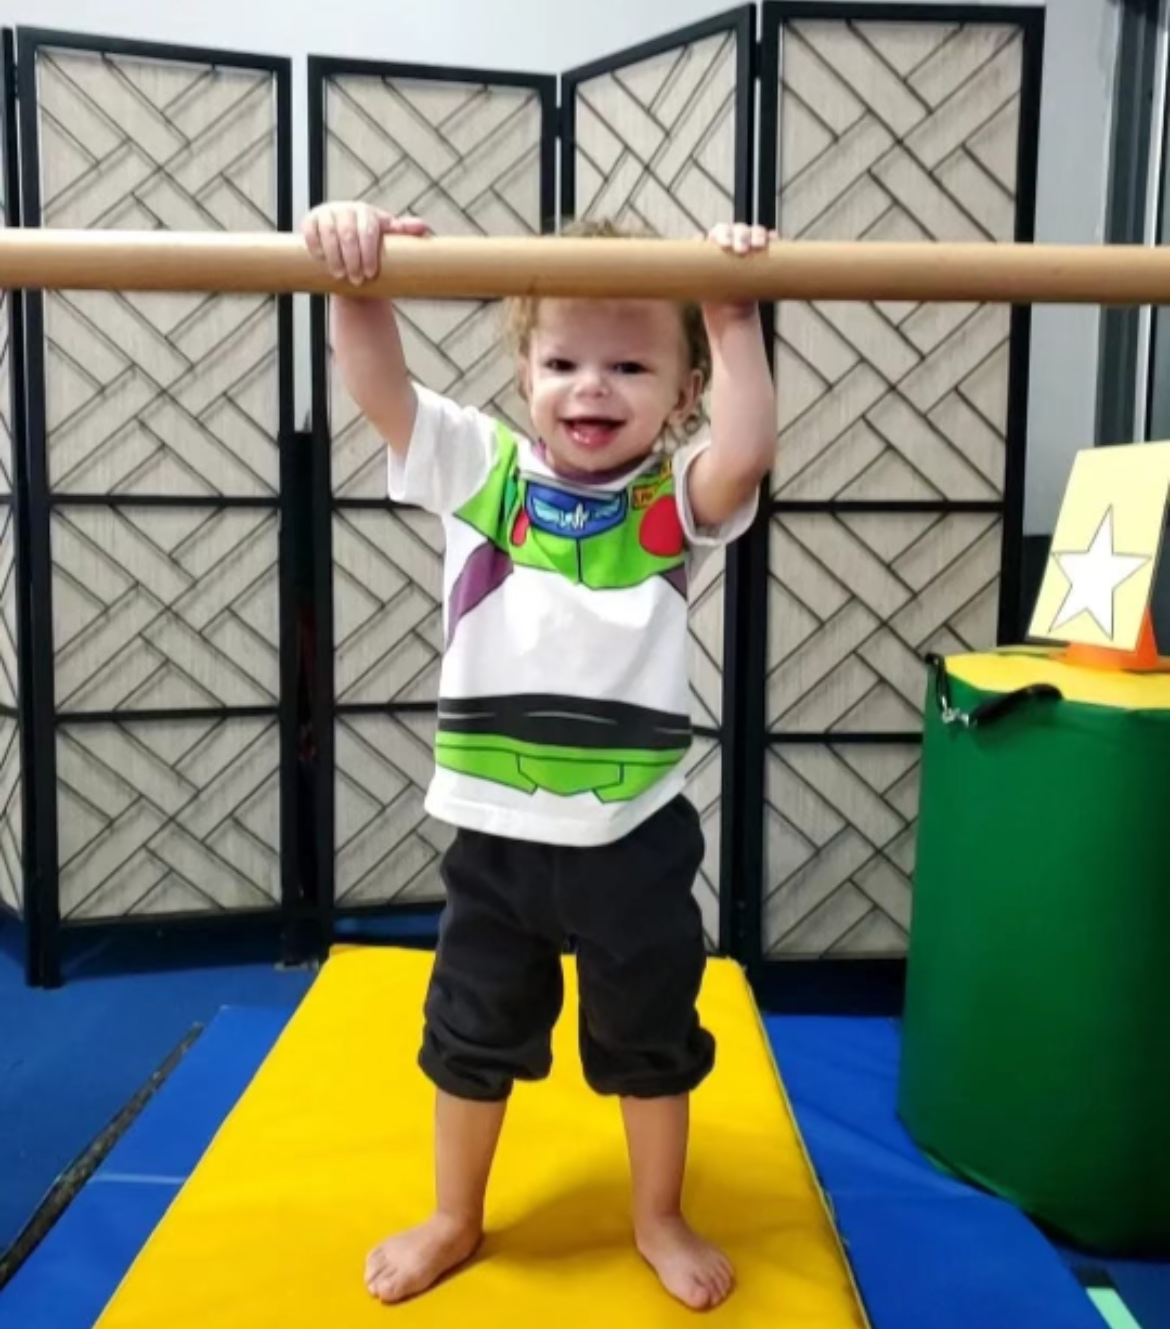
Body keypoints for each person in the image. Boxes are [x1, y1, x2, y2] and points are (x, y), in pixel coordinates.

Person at [302, 203, 778, 1312]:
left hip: (634, 838)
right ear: (523, 375)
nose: (592, 388)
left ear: (683, 391)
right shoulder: (484, 473)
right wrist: (356, 279)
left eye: (629, 364)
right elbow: (381, 391)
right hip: (497, 837)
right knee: (470, 1031)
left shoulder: (671, 505)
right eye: (562, 360)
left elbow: (749, 450)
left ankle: (657, 1213)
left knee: (650, 1034)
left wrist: (732, 312)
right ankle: (456, 1214)